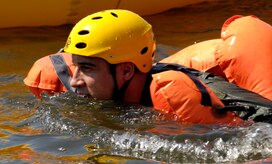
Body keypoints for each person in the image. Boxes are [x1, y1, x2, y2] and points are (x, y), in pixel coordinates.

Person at [28, 9, 271, 125]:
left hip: (247, 67)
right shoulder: (62, 78)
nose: (75, 81)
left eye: (88, 68)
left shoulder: (175, 96)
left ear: (125, 70)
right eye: (76, 66)